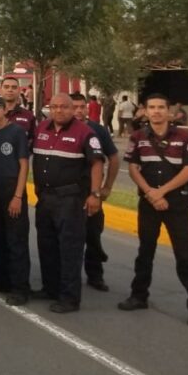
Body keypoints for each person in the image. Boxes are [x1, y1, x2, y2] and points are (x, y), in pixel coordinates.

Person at [118, 94, 188, 328]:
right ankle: (139, 296)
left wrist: (161, 192)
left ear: (170, 112)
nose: (156, 111)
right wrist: (150, 193)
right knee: (145, 251)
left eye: (160, 108)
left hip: (176, 203)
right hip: (148, 203)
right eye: (152, 107)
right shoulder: (138, 137)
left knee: (186, 255)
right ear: (145, 111)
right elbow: (134, 168)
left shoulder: (185, 138)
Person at [31, 93, 105, 314]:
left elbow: (97, 164)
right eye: (54, 107)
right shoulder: (42, 128)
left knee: (70, 249)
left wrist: (95, 194)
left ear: (73, 109)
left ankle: (70, 298)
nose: (58, 111)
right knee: (47, 246)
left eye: (64, 107)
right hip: (45, 198)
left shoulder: (85, 133)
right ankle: (50, 288)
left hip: (70, 200)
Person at [0, 95, 30, 306]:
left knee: (15, 241)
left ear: (4, 110)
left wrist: (18, 196)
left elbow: (24, 165)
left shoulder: (17, 132)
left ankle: (20, 288)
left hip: (11, 191)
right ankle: (1, 280)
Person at [70, 93, 120, 292]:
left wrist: (106, 187)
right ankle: (65, 277)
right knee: (68, 238)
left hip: (91, 192)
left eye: (82, 106)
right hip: (69, 194)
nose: (79, 110)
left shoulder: (97, 130)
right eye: (74, 107)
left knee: (93, 235)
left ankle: (95, 275)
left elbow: (114, 158)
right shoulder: (58, 128)